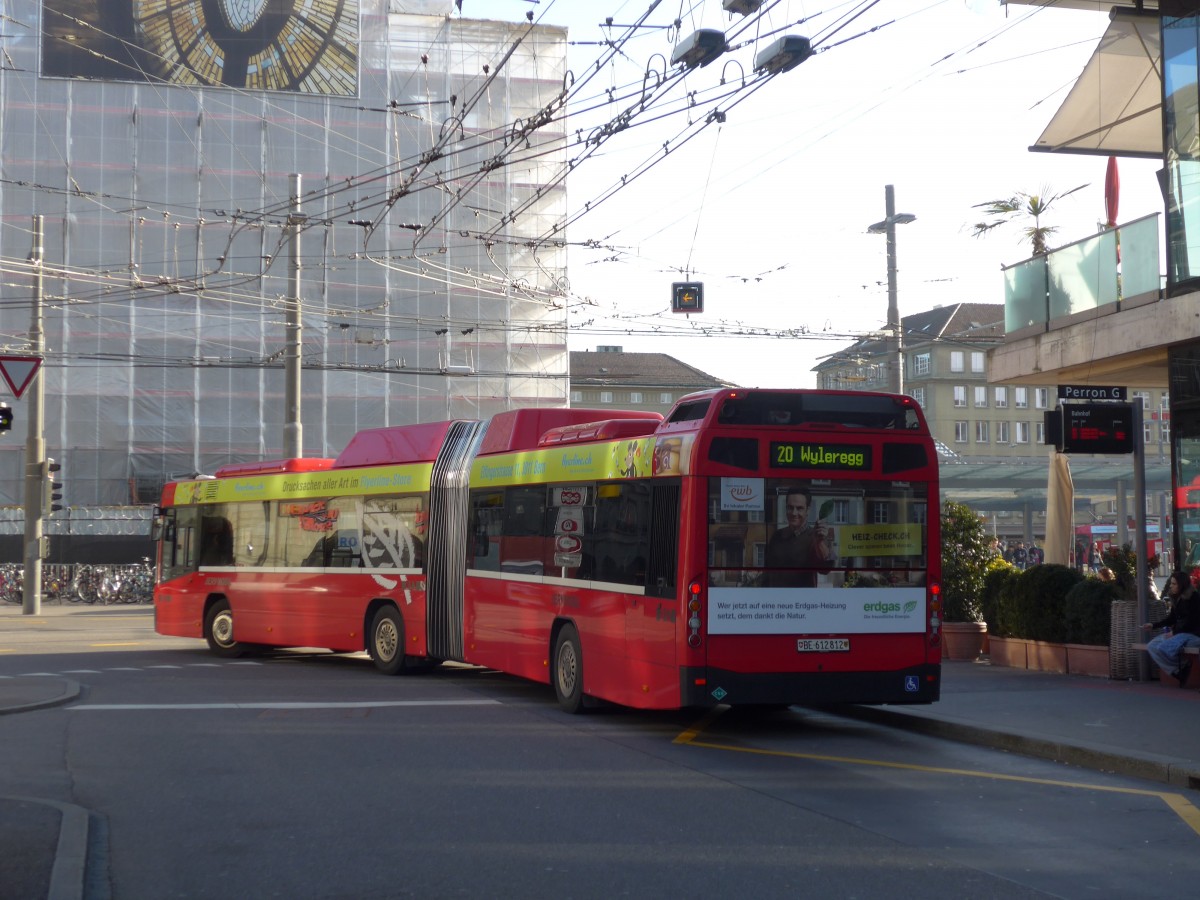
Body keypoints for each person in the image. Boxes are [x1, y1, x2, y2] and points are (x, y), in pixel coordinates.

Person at [764, 487, 835, 587]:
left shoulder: (817, 537)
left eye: (799, 508)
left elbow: (825, 569)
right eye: (790, 507)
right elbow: (766, 574)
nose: (794, 513)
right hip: (777, 600)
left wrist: (820, 543)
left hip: (803, 601)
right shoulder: (776, 536)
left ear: (808, 510)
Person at [1142, 570, 1200, 687]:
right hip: (1179, 634)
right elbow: (1171, 619)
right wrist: (1153, 625)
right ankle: (1178, 670)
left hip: (1193, 634)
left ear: (1181, 585)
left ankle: (1183, 665)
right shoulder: (1176, 598)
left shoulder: (1194, 598)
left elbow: (1192, 622)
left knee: (1164, 647)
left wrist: (1174, 632)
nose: (1171, 586)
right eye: (1171, 583)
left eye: (1174, 584)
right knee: (1152, 646)